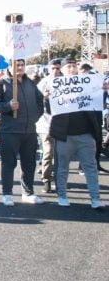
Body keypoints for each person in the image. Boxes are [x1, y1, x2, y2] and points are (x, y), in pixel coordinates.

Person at [0, 59, 44, 206]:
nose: (19, 68)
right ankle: (7, 194)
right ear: (10, 67)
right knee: (8, 163)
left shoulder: (30, 83)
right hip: (9, 131)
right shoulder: (2, 83)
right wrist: (7, 106)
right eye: (16, 65)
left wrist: (34, 117)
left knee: (29, 164)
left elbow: (40, 101)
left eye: (21, 65)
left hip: (29, 131)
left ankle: (28, 193)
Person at [50, 57, 105, 209]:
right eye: (68, 67)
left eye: (74, 66)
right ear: (62, 69)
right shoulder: (55, 86)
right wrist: (47, 98)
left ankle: (95, 198)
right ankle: (62, 195)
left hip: (86, 135)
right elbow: (49, 110)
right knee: (62, 168)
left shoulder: (88, 84)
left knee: (91, 168)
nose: (72, 69)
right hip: (64, 135)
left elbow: (98, 103)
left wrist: (103, 90)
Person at [36, 58, 62, 192]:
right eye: (53, 68)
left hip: (62, 124)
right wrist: (44, 97)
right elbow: (34, 99)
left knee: (61, 154)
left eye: (58, 68)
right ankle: (46, 179)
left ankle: (59, 180)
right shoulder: (43, 83)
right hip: (45, 124)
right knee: (48, 152)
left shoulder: (66, 82)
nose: (56, 71)